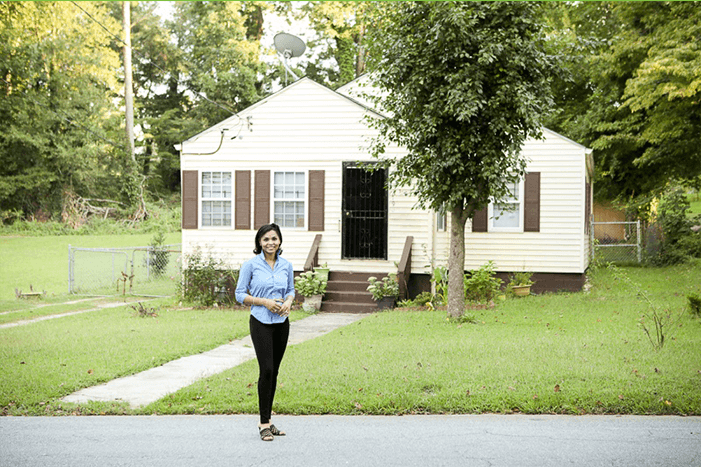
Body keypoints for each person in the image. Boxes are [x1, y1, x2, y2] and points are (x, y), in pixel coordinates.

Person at [235, 223, 295, 442]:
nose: (271, 243)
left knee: (275, 371)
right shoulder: (250, 265)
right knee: (266, 370)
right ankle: (263, 424)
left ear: (280, 241)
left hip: (282, 322)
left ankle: (269, 421)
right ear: (259, 243)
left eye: (274, 239)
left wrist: (288, 302)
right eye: (266, 239)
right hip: (260, 321)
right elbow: (240, 295)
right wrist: (265, 302)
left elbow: (290, 290)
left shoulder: (286, 265)